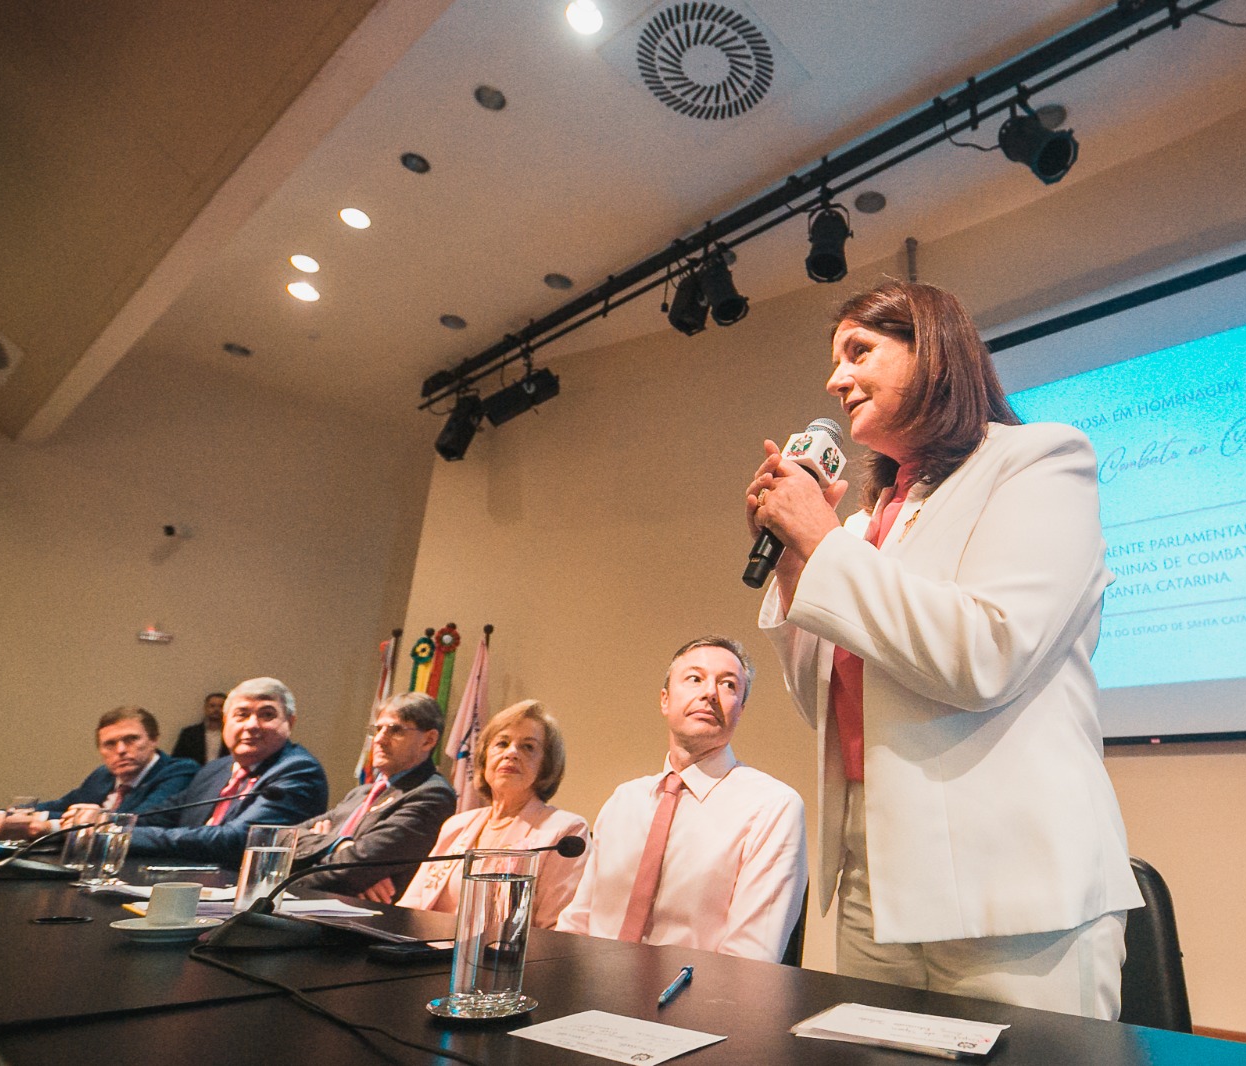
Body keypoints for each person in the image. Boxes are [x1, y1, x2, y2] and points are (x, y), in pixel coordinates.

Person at [747, 279, 1142, 1019]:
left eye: (858, 351)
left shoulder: (1040, 459)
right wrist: (802, 558)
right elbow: (828, 708)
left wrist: (823, 542)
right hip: (871, 878)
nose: (836, 381)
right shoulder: (867, 523)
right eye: (835, 363)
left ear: (930, 347)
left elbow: (987, 653)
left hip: (1015, 890)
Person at [557, 637, 807, 963]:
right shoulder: (624, 800)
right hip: (589, 995)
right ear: (665, 700)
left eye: (728, 685)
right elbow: (576, 925)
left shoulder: (772, 807)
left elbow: (748, 963)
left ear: (740, 710)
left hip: (692, 1006)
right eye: (695, 678)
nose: (709, 693)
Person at [393, 700, 587, 926]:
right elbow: (410, 908)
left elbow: (555, 928)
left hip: (498, 958)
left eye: (528, 747)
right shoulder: (457, 825)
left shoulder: (564, 832)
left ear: (546, 764)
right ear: (485, 759)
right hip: (422, 953)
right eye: (502, 743)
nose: (511, 753)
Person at [129, 677, 329, 866]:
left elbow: (235, 840)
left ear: (290, 723)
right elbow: (165, 814)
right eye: (241, 715)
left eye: (267, 715)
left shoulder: (298, 770)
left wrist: (128, 837)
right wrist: (106, 823)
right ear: (226, 721)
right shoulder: (217, 768)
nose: (251, 725)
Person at [0, 707, 199, 841]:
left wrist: (39, 826)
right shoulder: (103, 775)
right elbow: (63, 806)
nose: (120, 750)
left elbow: (138, 822)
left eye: (131, 739)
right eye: (110, 744)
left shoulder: (179, 770)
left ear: (154, 740)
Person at [287, 692, 457, 896]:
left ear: (428, 740)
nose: (379, 740)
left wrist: (283, 882)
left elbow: (353, 868)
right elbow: (280, 837)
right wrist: (335, 843)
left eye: (395, 730)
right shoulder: (361, 793)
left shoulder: (431, 794)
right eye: (377, 729)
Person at [171, 692, 228, 765]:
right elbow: (177, 760)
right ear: (205, 708)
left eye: (221, 706)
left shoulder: (232, 735)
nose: (216, 710)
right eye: (212, 706)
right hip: (194, 774)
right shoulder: (189, 734)